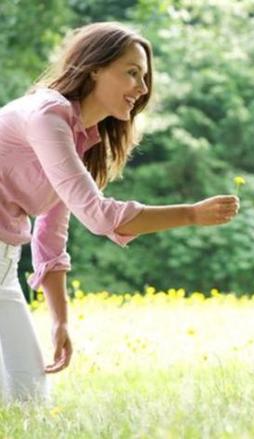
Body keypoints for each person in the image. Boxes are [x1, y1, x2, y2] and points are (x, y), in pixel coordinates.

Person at [0, 22, 240, 403]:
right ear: (94, 67)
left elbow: (49, 237)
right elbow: (98, 215)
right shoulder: (47, 116)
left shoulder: (75, 138)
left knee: (29, 398)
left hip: (5, 266)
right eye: (131, 73)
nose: (142, 89)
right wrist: (190, 215)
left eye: (144, 77)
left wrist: (60, 320)